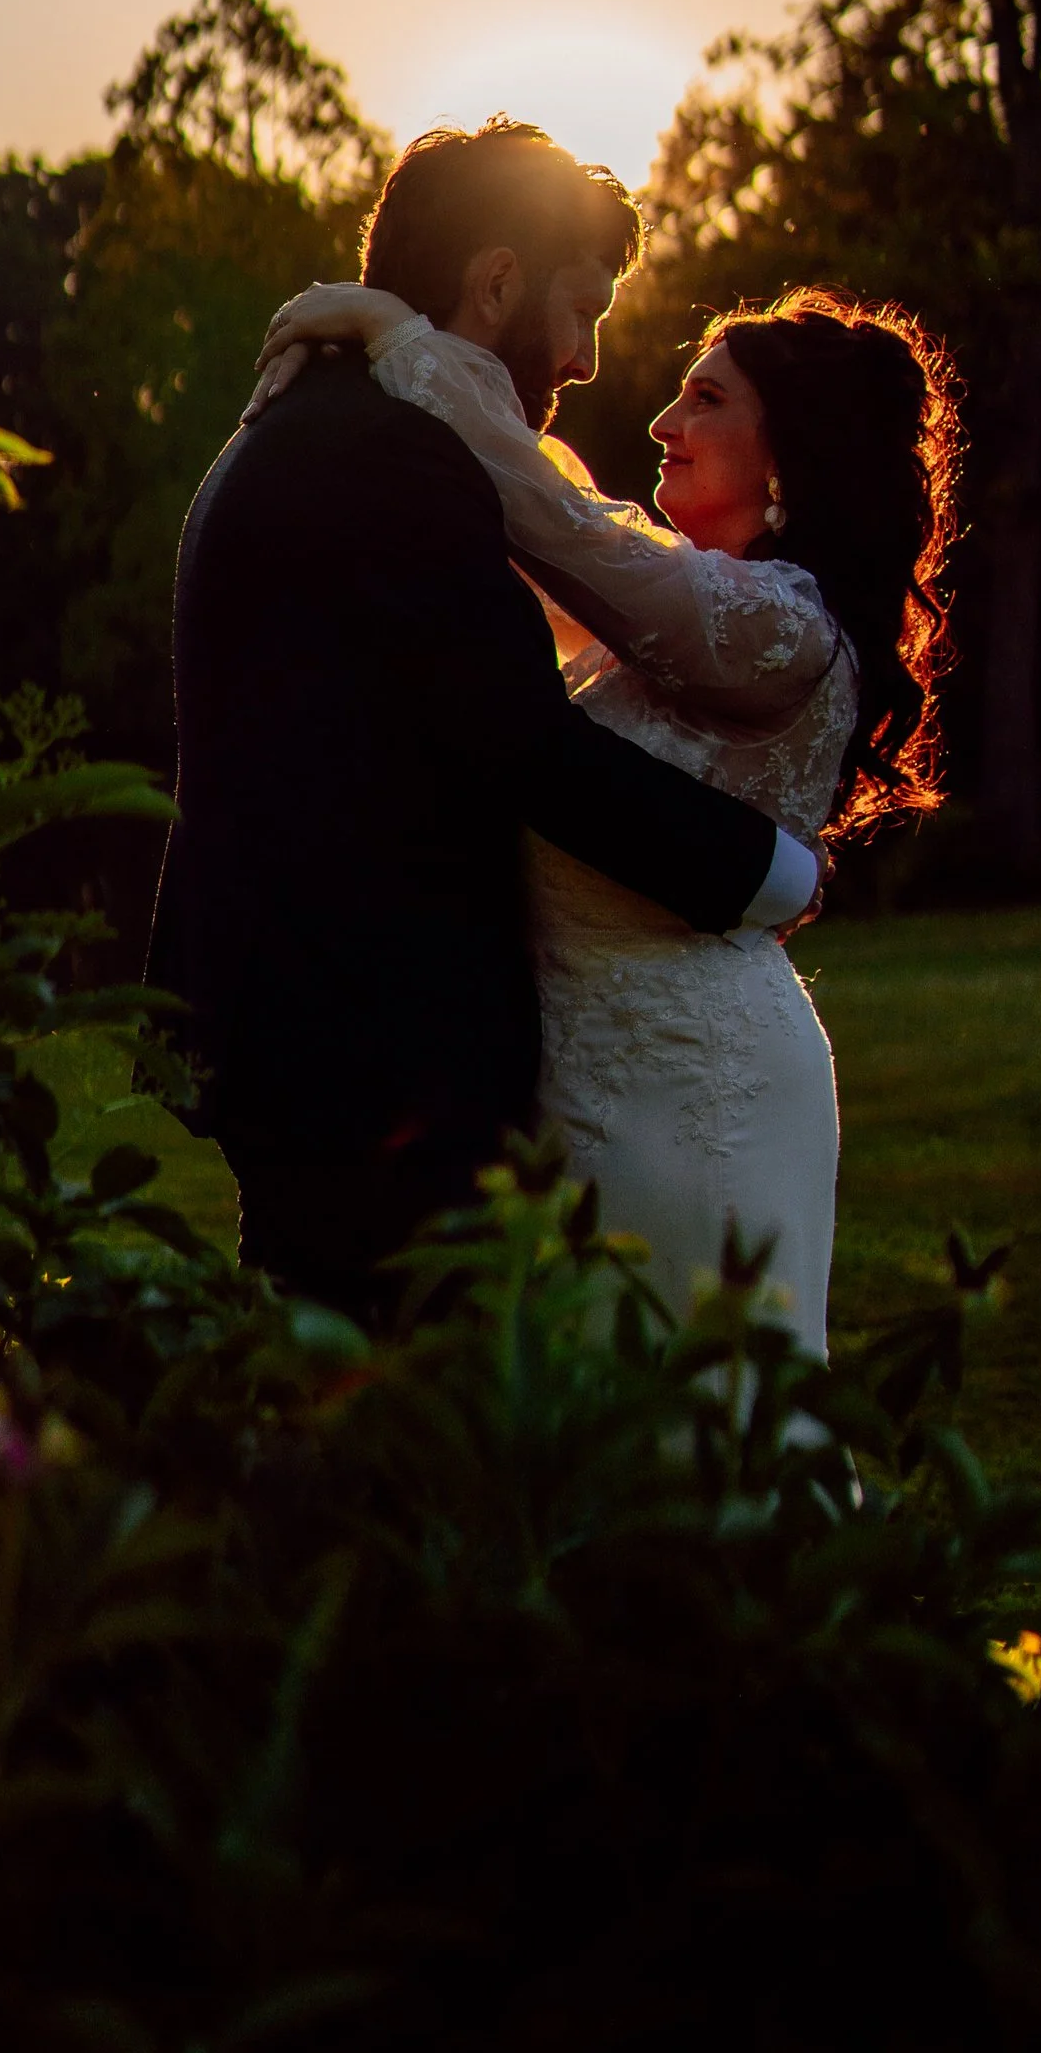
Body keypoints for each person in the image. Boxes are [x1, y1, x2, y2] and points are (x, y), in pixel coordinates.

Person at [147, 121, 823, 1319]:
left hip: (306, 1028)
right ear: (496, 281)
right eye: (580, 310)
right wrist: (764, 868)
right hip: (376, 1056)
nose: (583, 359)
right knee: (394, 1427)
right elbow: (524, 745)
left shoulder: (304, 426)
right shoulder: (393, 457)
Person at [249, 266, 960, 1351]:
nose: (664, 420)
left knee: (684, 1418)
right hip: (590, 1073)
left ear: (791, 455)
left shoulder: (779, 626)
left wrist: (405, 343)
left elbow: (560, 524)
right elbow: (535, 516)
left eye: (708, 399)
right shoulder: (685, 610)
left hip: (691, 1078)